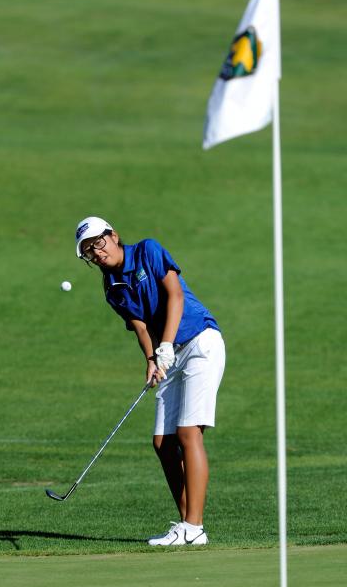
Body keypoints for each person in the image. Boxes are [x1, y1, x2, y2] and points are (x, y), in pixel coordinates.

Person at [75, 216, 225, 546]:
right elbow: (142, 327)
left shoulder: (148, 251)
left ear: (113, 235)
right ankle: (189, 527)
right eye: (88, 252)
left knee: (188, 432)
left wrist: (166, 345)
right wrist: (152, 359)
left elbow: (175, 295)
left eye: (98, 243)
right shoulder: (112, 289)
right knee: (162, 442)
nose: (96, 253)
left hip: (200, 341)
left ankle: (193, 527)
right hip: (168, 353)